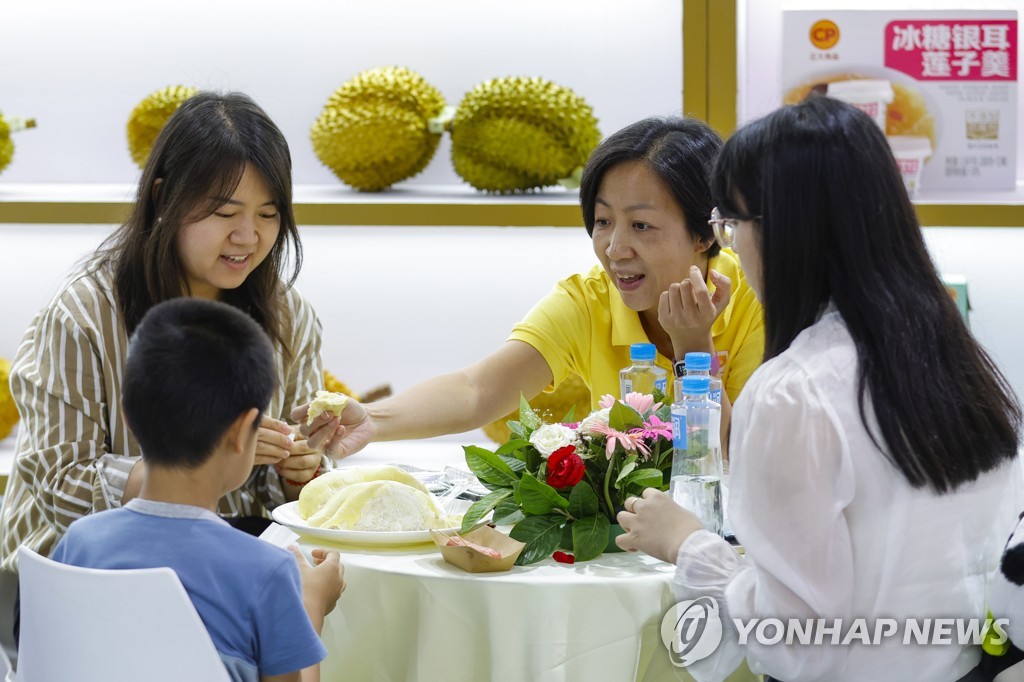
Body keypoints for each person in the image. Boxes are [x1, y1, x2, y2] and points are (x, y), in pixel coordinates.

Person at [615, 95, 1022, 681]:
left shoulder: (794, 392)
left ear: (787, 232)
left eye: (731, 225)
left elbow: (796, 641)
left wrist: (690, 545)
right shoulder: (955, 358)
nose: (731, 245)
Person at [296, 116, 764, 458]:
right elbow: (477, 391)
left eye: (641, 225)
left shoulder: (759, 299)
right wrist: (370, 420)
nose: (615, 248)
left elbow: (731, 461)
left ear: (706, 232)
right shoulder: (588, 299)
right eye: (603, 221)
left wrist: (693, 348)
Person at [0, 91, 326, 575]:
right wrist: (204, 461)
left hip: (221, 558)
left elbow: (280, 499)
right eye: (224, 212)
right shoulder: (83, 314)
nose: (248, 236)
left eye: (268, 212)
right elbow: (61, 486)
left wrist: (302, 473)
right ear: (162, 197)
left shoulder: (288, 315)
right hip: (84, 572)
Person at [51, 298, 346, 682]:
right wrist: (312, 604)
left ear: (128, 413)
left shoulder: (79, 542)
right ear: (244, 432)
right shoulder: (268, 573)